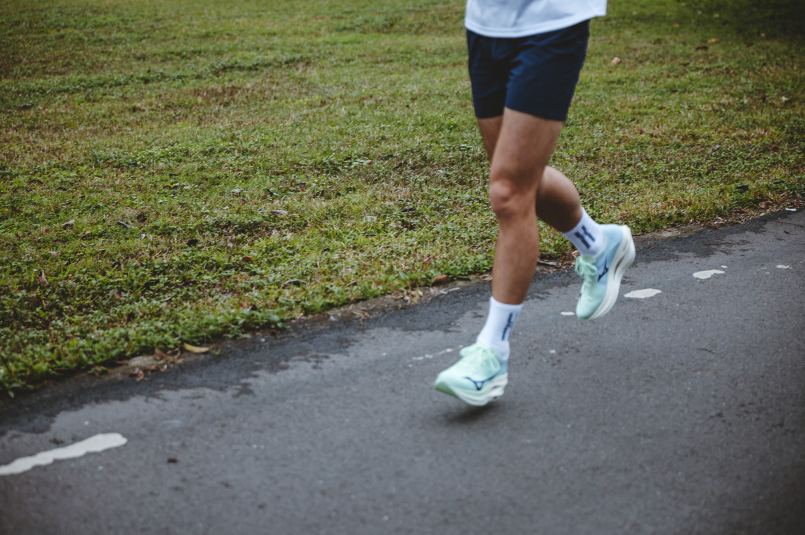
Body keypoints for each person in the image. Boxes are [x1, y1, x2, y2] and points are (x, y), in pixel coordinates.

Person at [434, 0, 635, 406]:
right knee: (517, 177)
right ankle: (599, 245)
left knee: (508, 191)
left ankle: (492, 352)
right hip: (486, 24)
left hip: (551, 23)